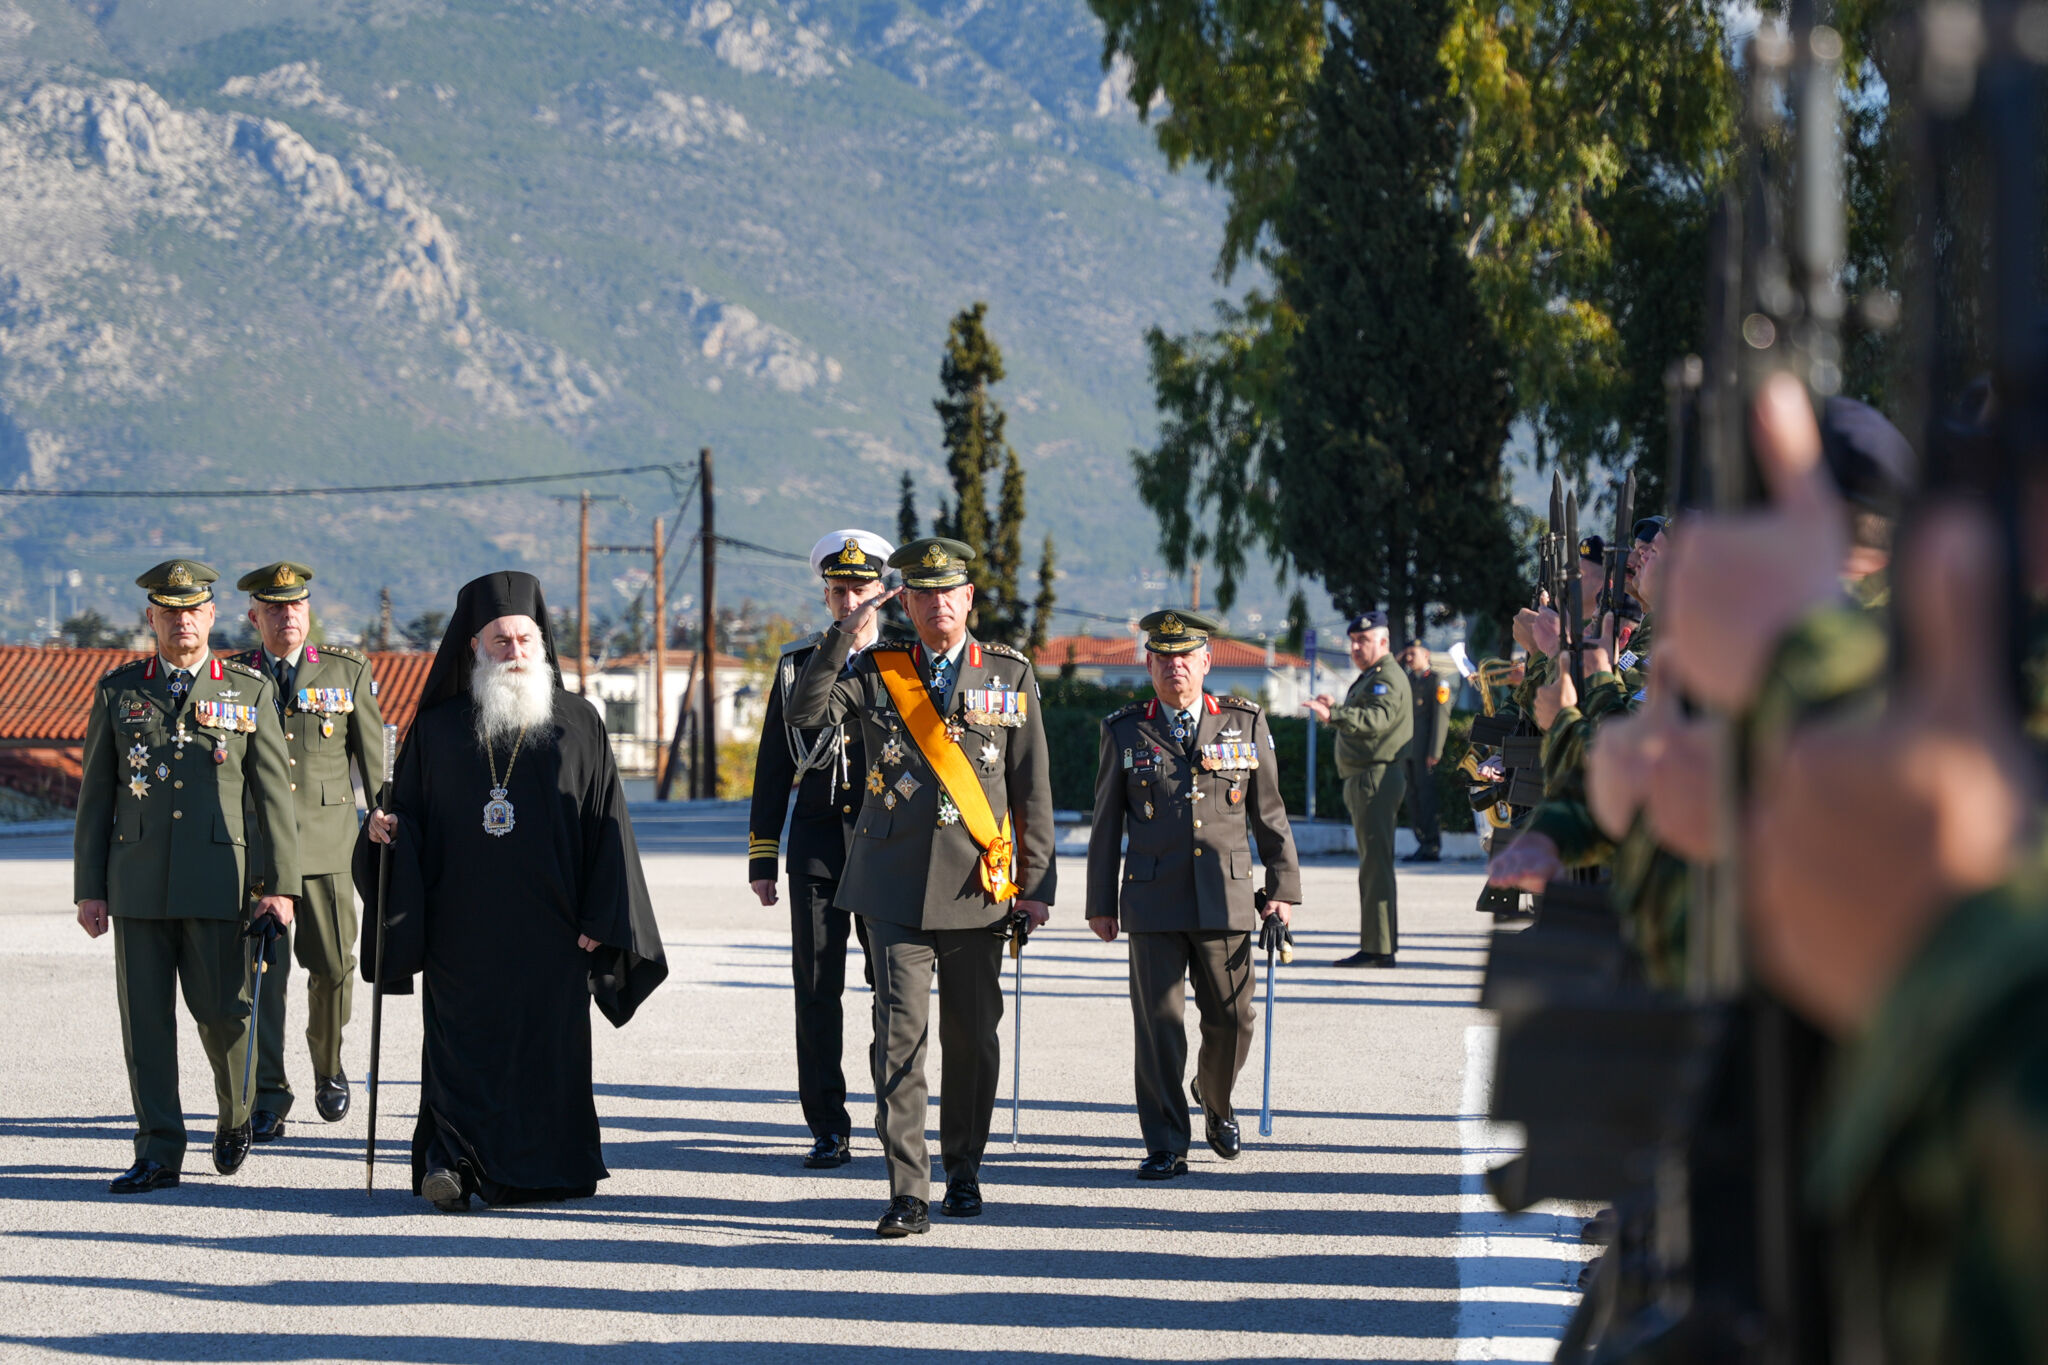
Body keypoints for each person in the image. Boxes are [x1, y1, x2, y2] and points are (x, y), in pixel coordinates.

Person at [356, 570, 667, 1212]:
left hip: (554, 929)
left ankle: (548, 1169)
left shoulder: (579, 724)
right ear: (474, 648)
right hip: (460, 931)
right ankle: (453, 1167)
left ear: (542, 642)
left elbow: (610, 828)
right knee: (458, 1049)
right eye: (501, 642)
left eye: (525, 639)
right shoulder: (438, 730)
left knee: (545, 1051)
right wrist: (385, 830)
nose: (516, 653)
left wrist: (601, 913)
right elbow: (404, 818)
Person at [784, 537, 1056, 1238]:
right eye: (923, 592)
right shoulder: (876, 669)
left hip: (978, 885)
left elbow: (1031, 785)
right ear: (902, 600)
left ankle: (963, 1168)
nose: (938, 603)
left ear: (968, 598)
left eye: (950, 590)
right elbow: (804, 711)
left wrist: (1037, 882)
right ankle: (908, 1188)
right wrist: (844, 632)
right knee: (899, 1037)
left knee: (972, 1041)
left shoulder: (1008, 673)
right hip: (893, 886)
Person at [73, 559, 301, 1193]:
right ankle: (158, 1151)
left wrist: (279, 887)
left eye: (192, 610)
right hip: (139, 884)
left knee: (227, 1014)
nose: (182, 622)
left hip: (221, 882)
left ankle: (234, 1118)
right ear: (152, 618)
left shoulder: (247, 691)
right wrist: (90, 888)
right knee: (145, 1022)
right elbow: (96, 798)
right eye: (169, 612)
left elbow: (272, 801)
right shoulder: (120, 691)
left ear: (210, 616)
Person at [1085, 609, 1300, 1179]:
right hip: (1152, 899)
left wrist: (1280, 890)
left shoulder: (1244, 722)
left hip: (1225, 897)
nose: (1175, 666)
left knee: (1233, 1018)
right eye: (1163, 657)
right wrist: (1100, 902)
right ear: (1149, 664)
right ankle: (1164, 1141)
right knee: (1158, 1024)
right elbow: (1107, 823)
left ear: (1206, 661)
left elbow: (1270, 815)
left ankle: (1214, 1095)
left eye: (1186, 656)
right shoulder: (1124, 728)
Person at [746, 528, 894, 1169]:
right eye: (838, 589)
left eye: (860, 588)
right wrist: (762, 855)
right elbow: (773, 763)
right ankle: (828, 1125)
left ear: (881, 595)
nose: (849, 600)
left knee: (894, 988)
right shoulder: (796, 664)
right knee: (817, 989)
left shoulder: (904, 664)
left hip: (889, 847)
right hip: (816, 848)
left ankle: (898, 1116)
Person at [232, 560, 386, 1140]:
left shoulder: (345, 674)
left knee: (333, 968)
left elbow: (373, 762)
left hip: (326, 849)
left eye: (295, 604)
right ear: (254, 617)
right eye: (274, 607)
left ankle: (328, 1066)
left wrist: (382, 812)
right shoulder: (233, 678)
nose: (287, 615)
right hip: (258, 853)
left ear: (308, 610)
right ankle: (270, 1094)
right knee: (261, 977)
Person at [1306, 611, 1411, 967]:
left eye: (1362, 640)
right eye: (1352, 640)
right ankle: (1376, 944)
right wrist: (1335, 708)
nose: (1354, 647)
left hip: (1375, 779)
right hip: (1367, 778)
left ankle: (1379, 949)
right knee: (1372, 865)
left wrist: (1334, 715)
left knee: (1376, 866)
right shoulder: (1373, 677)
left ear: (1383, 641)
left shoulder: (1387, 678)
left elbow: (1376, 721)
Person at [1397, 639, 1450, 863]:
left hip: (1424, 752)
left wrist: (1435, 752)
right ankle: (1422, 843)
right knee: (1412, 798)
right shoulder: (1406, 680)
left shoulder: (1437, 681)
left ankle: (1432, 845)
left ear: (1426, 654)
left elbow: (1441, 719)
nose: (1409, 658)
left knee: (1427, 799)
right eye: (1406, 654)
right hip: (1407, 751)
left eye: (1413, 654)